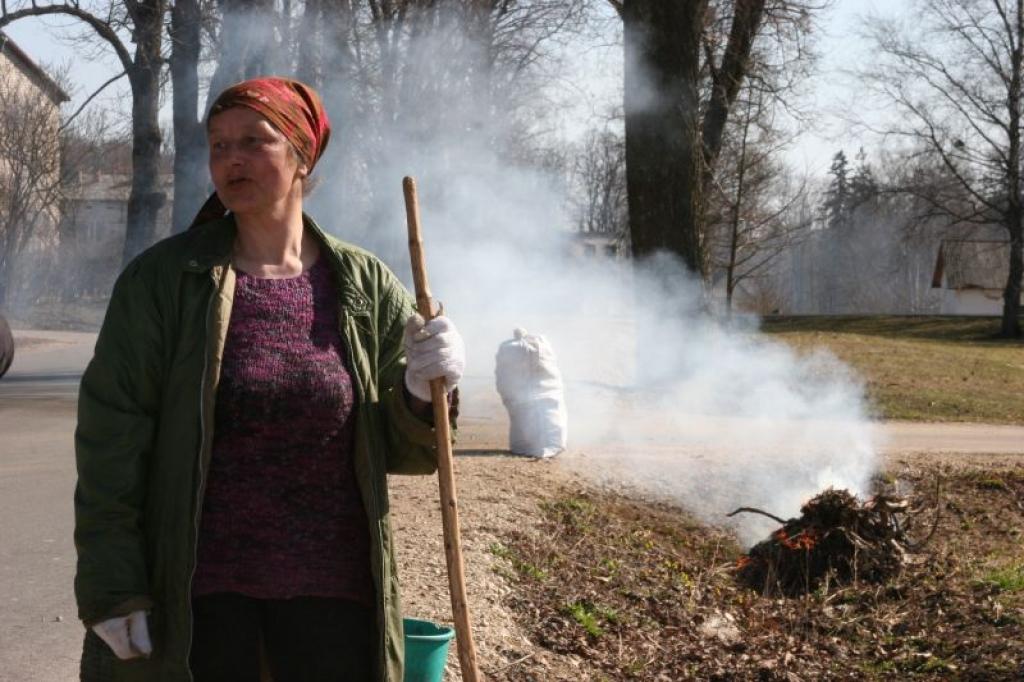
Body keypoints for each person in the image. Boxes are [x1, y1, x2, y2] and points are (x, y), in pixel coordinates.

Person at [74, 76, 465, 682]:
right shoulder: (164, 283)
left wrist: (421, 391)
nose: (231, 159)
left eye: (254, 142)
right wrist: (113, 586)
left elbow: (404, 454)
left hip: (334, 605)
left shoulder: (363, 286)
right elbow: (109, 448)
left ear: (303, 155)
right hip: (202, 604)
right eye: (218, 144)